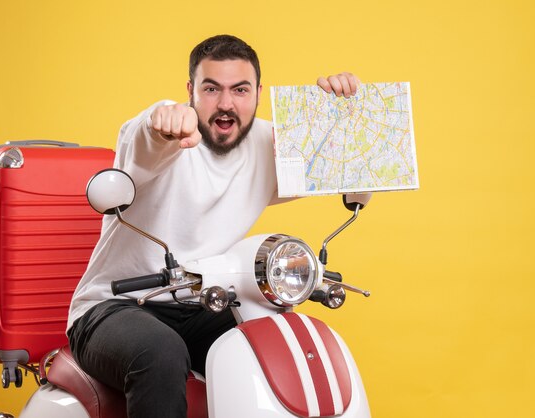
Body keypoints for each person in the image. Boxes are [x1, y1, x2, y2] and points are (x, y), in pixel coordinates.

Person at [66, 34, 360, 418]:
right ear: (190, 91)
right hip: (114, 306)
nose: (225, 104)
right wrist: (164, 122)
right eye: (210, 89)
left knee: (277, 344)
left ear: (257, 91)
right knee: (160, 353)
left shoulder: (272, 143)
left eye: (240, 89)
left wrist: (341, 114)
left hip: (204, 303)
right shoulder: (168, 136)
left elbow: (352, 170)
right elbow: (143, 139)